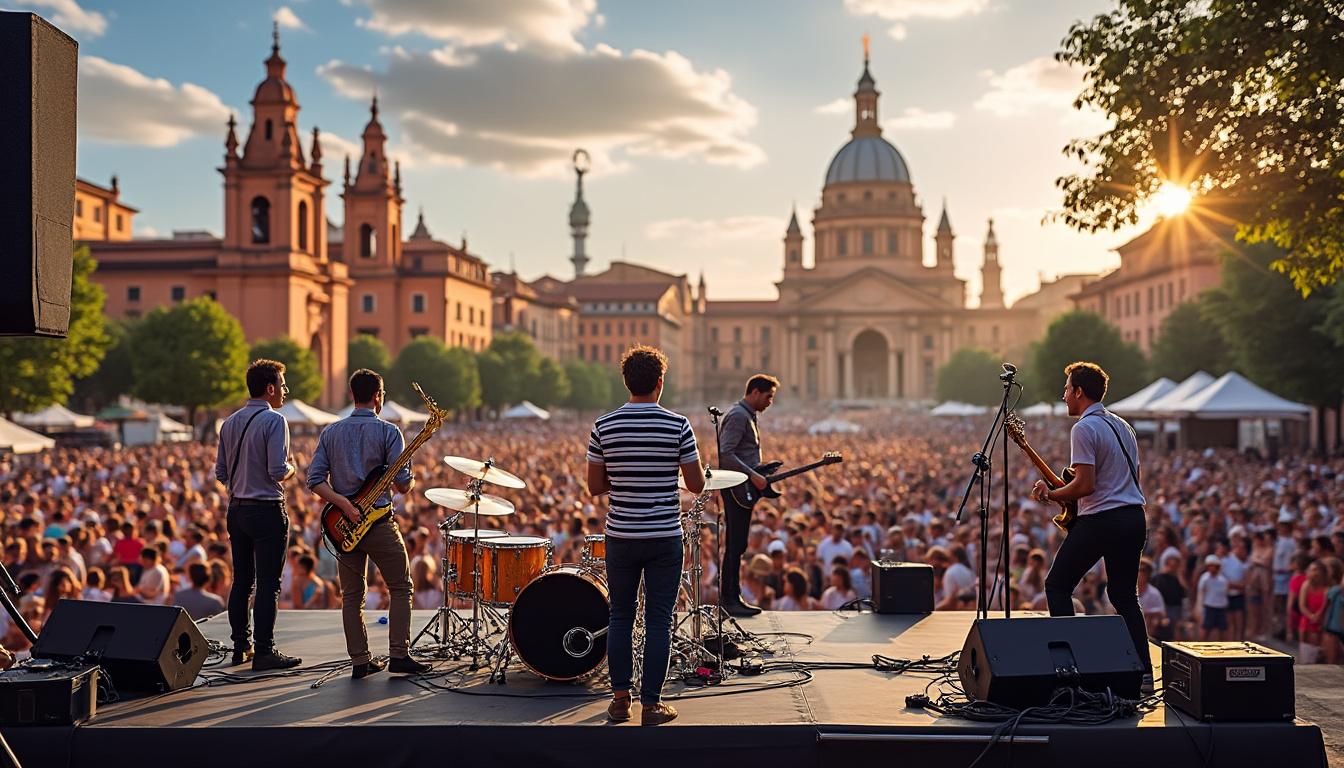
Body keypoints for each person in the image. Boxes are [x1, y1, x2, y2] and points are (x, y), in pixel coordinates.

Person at [587, 345, 703, 726]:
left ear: (626, 382)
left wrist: (624, 480)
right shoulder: (678, 426)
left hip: (621, 535)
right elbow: (696, 484)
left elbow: (594, 486)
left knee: (620, 615)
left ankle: (620, 700)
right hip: (664, 536)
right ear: (660, 382)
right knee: (658, 618)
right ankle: (652, 705)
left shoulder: (603, 426)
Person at [1031, 362, 1152, 685]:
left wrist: (1050, 494)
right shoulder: (1122, 425)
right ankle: (1144, 673)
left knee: (1057, 586)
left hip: (1103, 519)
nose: (1064, 396)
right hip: (1133, 517)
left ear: (1079, 392)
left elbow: (1086, 485)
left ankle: (1071, 670)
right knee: (1124, 596)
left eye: (1067, 389)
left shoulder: (1084, 428)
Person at [307, 368, 428, 680]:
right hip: (379, 522)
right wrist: (412, 479)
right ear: (378, 396)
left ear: (351, 395)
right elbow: (402, 485)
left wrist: (344, 505)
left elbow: (315, 480)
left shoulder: (331, 432)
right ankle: (399, 654)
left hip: (342, 526)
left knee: (351, 595)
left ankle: (360, 661)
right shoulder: (389, 432)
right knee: (400, 586)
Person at [214, 358, 302, 670]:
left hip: (236, 509)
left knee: (241, 581)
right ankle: (264, 651)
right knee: (268, 584)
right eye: (282, 385)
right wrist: (293, 469)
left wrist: (241, 482)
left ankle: (241, 647)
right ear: (270, 388)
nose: (285, 390)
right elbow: (277, 470)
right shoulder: (275, 421)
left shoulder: (229, 422)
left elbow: (221, 472)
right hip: (266, 509)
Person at [717, 374, 779, 617]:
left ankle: (734, 596)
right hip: (737, 487)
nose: (770, 402)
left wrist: (762, 470)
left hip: (744, 486)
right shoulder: (738, 416)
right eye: (768, 397)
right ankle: (729, 598)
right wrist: (753, 475)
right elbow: (726, 454)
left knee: (739, 543)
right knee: (734, 544)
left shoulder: (747, 415)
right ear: (754, 392)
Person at [1197, 554, 1230, 641]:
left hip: (1221, 608)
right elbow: (1201, 593)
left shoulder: (1223, 579)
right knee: (1205, 630)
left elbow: (1225, 593)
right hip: (1209, 607)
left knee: (1222, 631)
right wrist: (1199, 608)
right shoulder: (1204, 578)